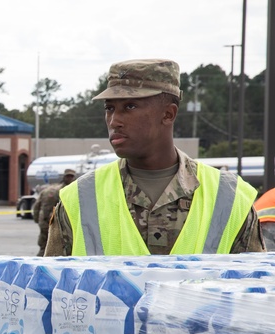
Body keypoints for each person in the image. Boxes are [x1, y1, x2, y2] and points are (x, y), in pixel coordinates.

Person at [44, 59, 263, 256]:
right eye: (109, 108)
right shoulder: (80, 198)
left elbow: (253, 291)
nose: (114, 121)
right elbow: (50, 290)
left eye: (130, 106)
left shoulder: (229, 198)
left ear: (168, 114)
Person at [33, 168, 76, 255]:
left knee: (45, 245)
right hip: (52, 222)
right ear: (64, 177)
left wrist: (37, 219)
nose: (70, 178)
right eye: (68, 176)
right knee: (49, 247)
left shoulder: (53, 190)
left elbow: (36, 207)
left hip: (48, 221)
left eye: (71, 176)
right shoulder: (64, 191)